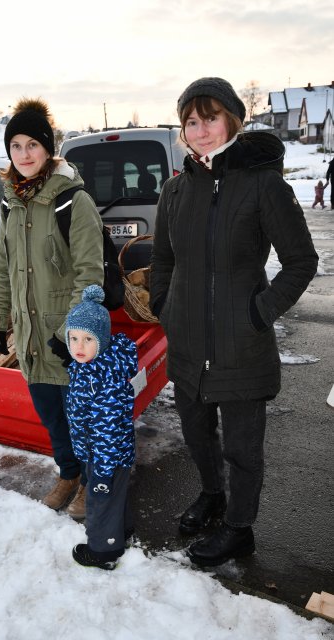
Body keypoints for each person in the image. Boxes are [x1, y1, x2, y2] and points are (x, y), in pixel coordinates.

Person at [149, 77, 319, 567]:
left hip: (241, 344)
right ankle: (211, 496)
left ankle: (239, 527)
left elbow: (301, 261)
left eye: (211, 118)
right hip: (186, 343)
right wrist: (166, 306)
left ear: (232, 120)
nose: (201, 131)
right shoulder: (176, 190)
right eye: (192, 122)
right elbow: (163, 260)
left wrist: (259, 311)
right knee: (197, 434)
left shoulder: (263, 184)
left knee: (243, 450)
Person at [0, 98, 104, 520]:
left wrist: (68, 335)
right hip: (31, 334)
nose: (23, 154)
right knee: (53, 418)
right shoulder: (10, 205)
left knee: (83, 419)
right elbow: (4, 269)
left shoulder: (74, 202)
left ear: (48, 148)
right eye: (15, 145)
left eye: (31, 144)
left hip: (67, 339)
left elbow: (90, 277)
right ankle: (68, 474)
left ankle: (92, 483)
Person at [65, 285, 138, 570]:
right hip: (104, 452)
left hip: (107, 455)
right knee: (115, 496)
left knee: (100, 498)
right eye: (73, 338)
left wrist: (103, 471)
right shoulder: (90, 367)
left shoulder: (103, 380)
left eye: (87, 339)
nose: (78, 347)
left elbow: (107, 429)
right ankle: (122, 531)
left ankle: (103, 551)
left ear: (103, 340)